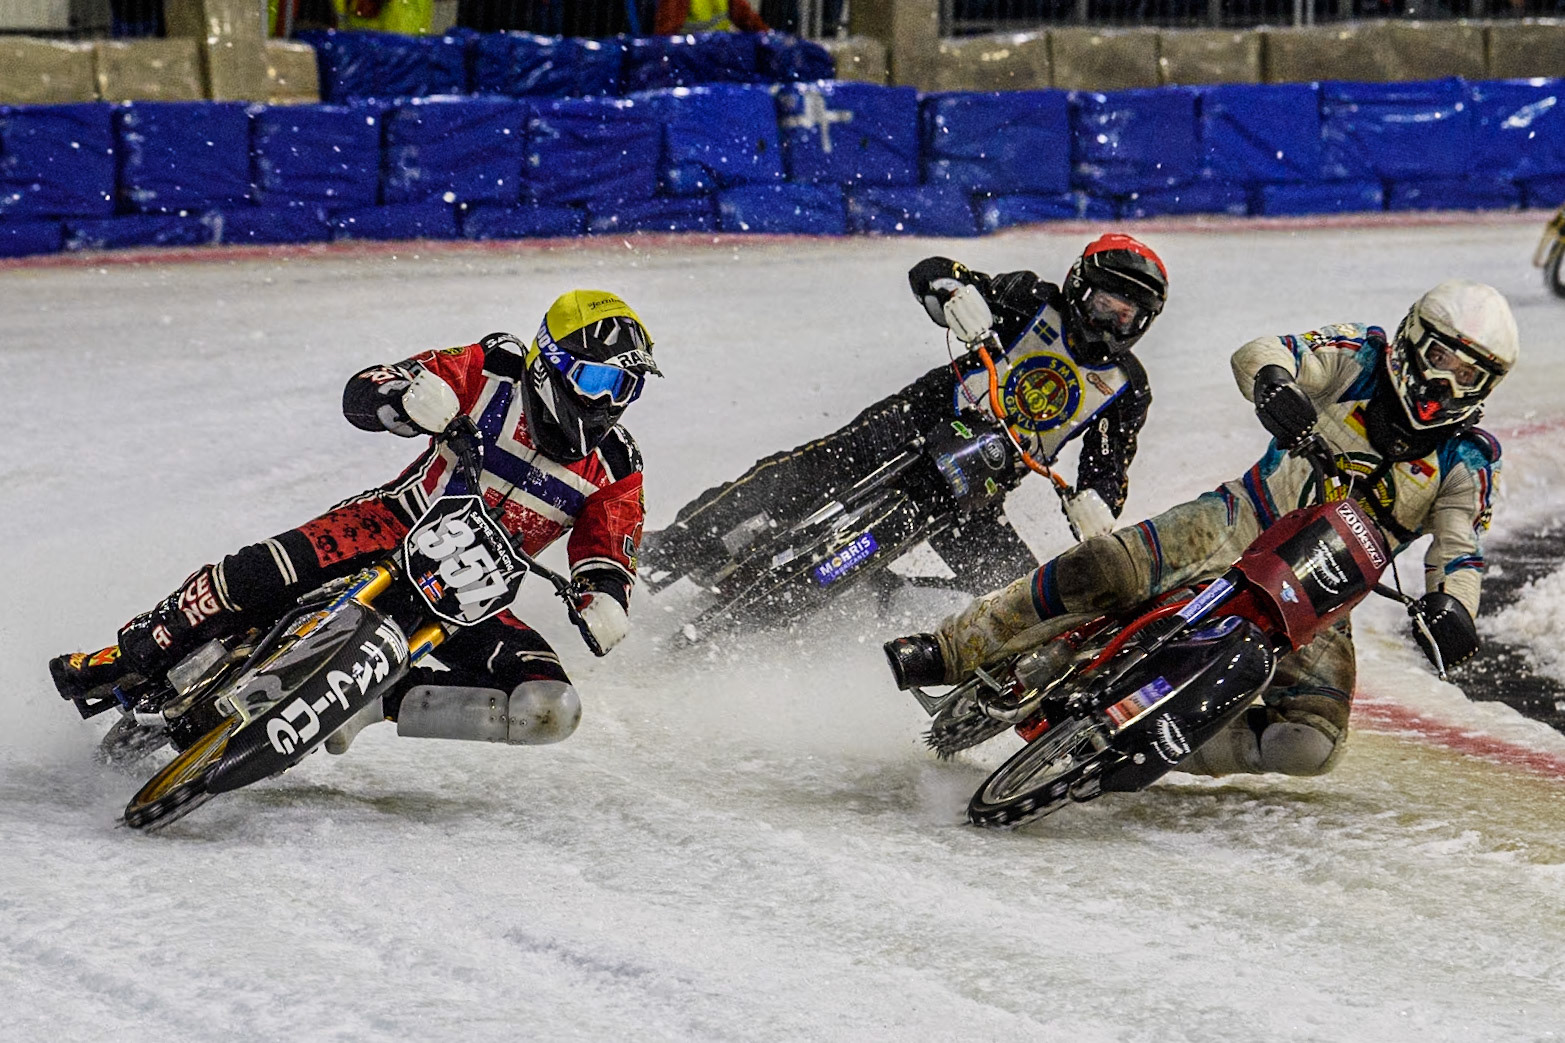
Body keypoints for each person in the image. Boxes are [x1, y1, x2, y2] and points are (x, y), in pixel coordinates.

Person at [886, 279, 1518, 779]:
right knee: (1104, 567)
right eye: (1440, 359)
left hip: (1324, 595)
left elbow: (1461, 552)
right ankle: (948, 649)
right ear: (1412, 339)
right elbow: (1266, 353)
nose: (1445, 383)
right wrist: (1275, 385)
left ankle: (1156, 744)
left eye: (1470, 376)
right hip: (1239, 520)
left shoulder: (1466, 463)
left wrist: (1455, 611)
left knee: (1308, 746)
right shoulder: (1360, 357)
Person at [51, 290, 659, 753]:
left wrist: (604, 595)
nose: (610, 400)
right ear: (550, 361)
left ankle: (370, 702)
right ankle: (124, 655)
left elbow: (609, 545)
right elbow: (369, 387)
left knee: (547, 706)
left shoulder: (616, 463)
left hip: (473, 593)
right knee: (252, 574)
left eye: (625, 385)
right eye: (597, 378)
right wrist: (401, 399)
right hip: (393, 525)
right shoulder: (494, 367)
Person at [640, 234, 1169, 596]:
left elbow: (1107, 467)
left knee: (1019, 594)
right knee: (810, 469)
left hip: (978, 487)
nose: (1110, 326)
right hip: (920, 417)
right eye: (1105, 307)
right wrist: (953, 293)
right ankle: (679, 543)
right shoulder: (1029, 297)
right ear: (1079, 286)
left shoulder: (1127, 388)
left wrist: (1097, 504)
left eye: (1127, 319)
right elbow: (935, 271)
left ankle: (890, 617)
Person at [653, 0, 769, 34]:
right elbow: (664, 40)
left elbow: (745, 17)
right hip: (688, 65)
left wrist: (769, 36)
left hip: (718, 60)